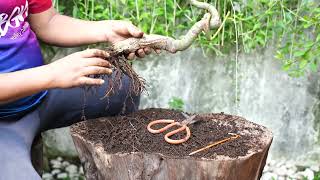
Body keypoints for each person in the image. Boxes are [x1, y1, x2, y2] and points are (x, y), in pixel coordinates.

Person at [0, 0, 155, 179]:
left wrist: (107, 30)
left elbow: (48, 22)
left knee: (121, 88)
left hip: (39, 97)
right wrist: (52, 74)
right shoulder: (50, 76)